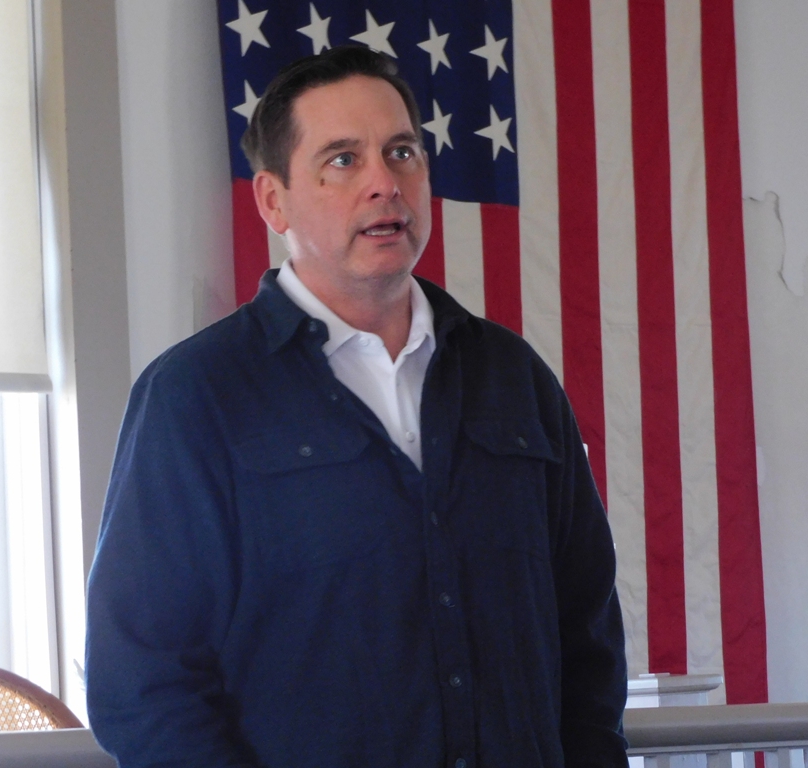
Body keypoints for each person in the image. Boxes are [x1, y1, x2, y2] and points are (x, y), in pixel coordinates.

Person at [85, 46, 628, 768]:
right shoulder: (196, 397)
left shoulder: (514, 379)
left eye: (401, 152)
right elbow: (142, 681)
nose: (384, 184)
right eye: (343, 160)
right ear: (273, 200)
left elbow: (587, 636)